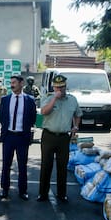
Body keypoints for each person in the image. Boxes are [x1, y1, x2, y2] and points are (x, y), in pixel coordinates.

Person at [37, 74, 82, 203]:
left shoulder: (72, 100)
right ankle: (42, 194)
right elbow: (44, 112)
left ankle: (62, 194)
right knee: (46, 165)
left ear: (66, 86)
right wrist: (54, 99)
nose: (60, 90)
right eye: (57, 87)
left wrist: (76, 126)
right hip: (49, 136)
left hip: (63, 137)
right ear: (53, 87)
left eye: (62, 87)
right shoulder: (48, 97)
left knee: (62, 167)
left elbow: (78, 114)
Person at [0, 75, 37, 200]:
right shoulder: (5, 99)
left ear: (21, 83)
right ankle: (4, 189)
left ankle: (22, 191)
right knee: (6, 164)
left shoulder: (30, 100)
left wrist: (26, 131)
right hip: (9, 136)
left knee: (22, 165)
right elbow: (2, 117)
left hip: (22, 137)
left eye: (14, 82)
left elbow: (32, 118)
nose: (12, 85)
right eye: (11, 82)